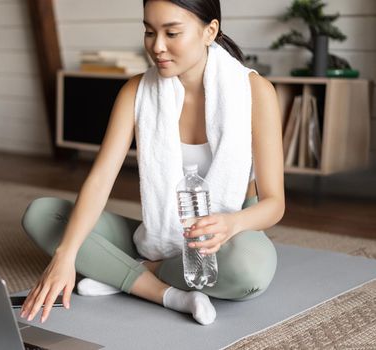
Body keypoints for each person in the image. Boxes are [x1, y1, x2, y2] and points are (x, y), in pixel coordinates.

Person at [20, 0, 284, 326]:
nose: (157, 47)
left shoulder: (254, 91)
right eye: (149, 31)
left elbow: (274, 204)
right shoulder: (136, 91)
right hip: (159, 232)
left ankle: (134, 271)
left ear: (209, 31)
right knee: (43, 216)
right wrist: (65, 255)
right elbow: (101, 178)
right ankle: (166, 294)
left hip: (225, 237)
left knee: (248, 271)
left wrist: (232, 225)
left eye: (172, 33)